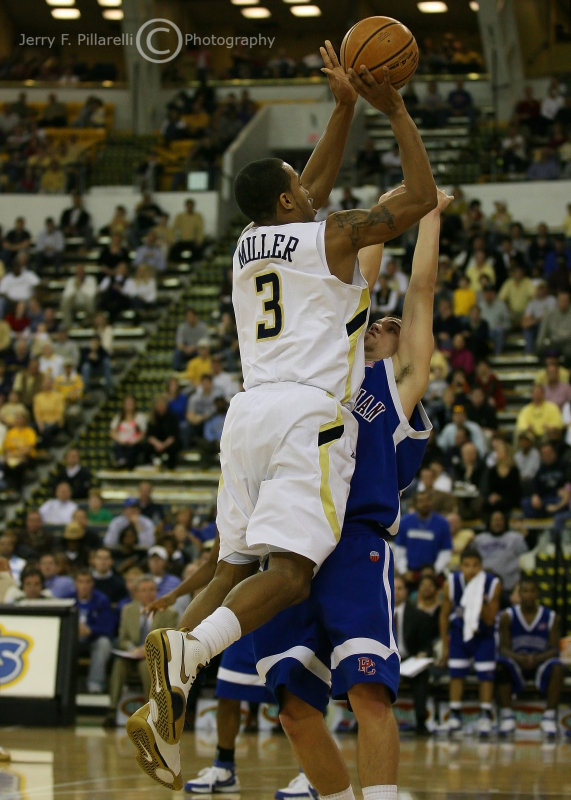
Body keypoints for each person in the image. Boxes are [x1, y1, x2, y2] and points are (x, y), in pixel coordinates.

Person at [126, 46, 437, 791]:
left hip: (245, 416)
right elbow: (419, 197)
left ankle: (165, 697)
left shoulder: (247, 246)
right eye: (299, 183)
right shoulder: (331, 237)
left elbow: (312, 185)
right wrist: (391, 109)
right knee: (291, 574)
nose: (309, 184)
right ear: (291, 201)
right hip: (305, 415)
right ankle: (187, 655)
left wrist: (340, 107)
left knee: (236, 562)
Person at [439, 545, 501, 737]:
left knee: (485, 674)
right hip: (458, 633)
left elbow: (490, 618)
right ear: (460, 567)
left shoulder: (492, 584)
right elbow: (444, 615)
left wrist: (477, 596)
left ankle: (485, 715)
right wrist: (444, 644)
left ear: (481, 567)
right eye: (466, 565)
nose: (471, 570)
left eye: (475, 566)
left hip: (483, 634)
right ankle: (455, 714)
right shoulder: (451, 582)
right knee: (456, 672)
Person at [104, 574, 178, 728]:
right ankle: (111, 711)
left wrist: (148, 650)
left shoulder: (169, 613)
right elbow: (122, 638)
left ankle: (151, 713)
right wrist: (133, 649)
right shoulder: (127, 610)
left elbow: (169, 640)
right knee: (118, 664)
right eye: (143, 590)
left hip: (154, 657)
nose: (148, 594)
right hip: (132, 655)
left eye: (151, 590)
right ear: (136, 593)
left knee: (145, 666)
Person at [496, 575, 565, 739]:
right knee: (500, 665)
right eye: (525, 591)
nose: (529, 595)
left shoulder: (551, 617)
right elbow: (503, 648)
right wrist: (520, 659)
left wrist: (536, 658)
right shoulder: (508, 615)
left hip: (540, 662)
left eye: (532, 591)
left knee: (557, 667)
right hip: (517, 662)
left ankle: (549, 716)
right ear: (519, 594)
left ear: (538, 594)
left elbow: (555, 649)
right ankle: (507, 715)